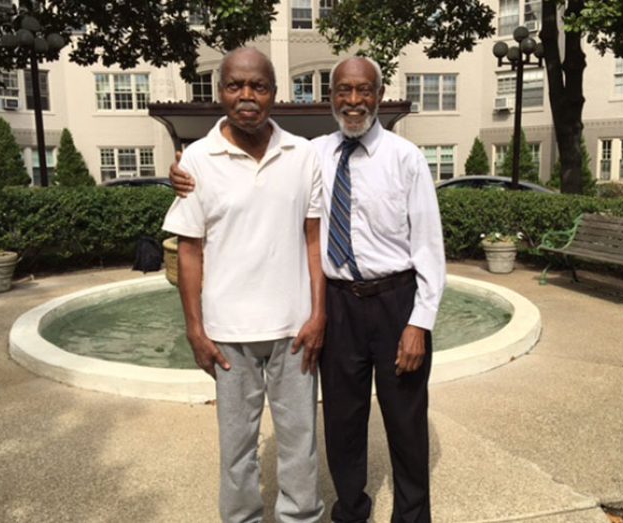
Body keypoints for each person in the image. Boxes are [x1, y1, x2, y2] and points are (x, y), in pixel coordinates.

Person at [170, 56, 445, 523]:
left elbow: (429, 245)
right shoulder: (313, 152)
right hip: (337, 304)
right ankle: (351, 512)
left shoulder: (406, 158)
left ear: (379, 95)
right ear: (330, 96)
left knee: (405, 422)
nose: (353, 101)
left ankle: (412, 517)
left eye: (364, 91)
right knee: (340, 421)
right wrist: (183, 169)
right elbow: (234, 171)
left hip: (396, 301)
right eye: (343, 91)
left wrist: (419, 321)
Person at [162, 47, 325, 523]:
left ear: (274, 92)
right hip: (227, 333)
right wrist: (195, 329)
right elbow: (189, 250)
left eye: (258, 86)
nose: (247, 96)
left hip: (294, 331)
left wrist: (319, 313)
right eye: (235, 86)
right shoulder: (196, 159)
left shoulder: (303, 153)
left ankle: (301, 518)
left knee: (301, 445)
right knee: (236, 451)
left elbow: (313, 240)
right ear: (220, 92)